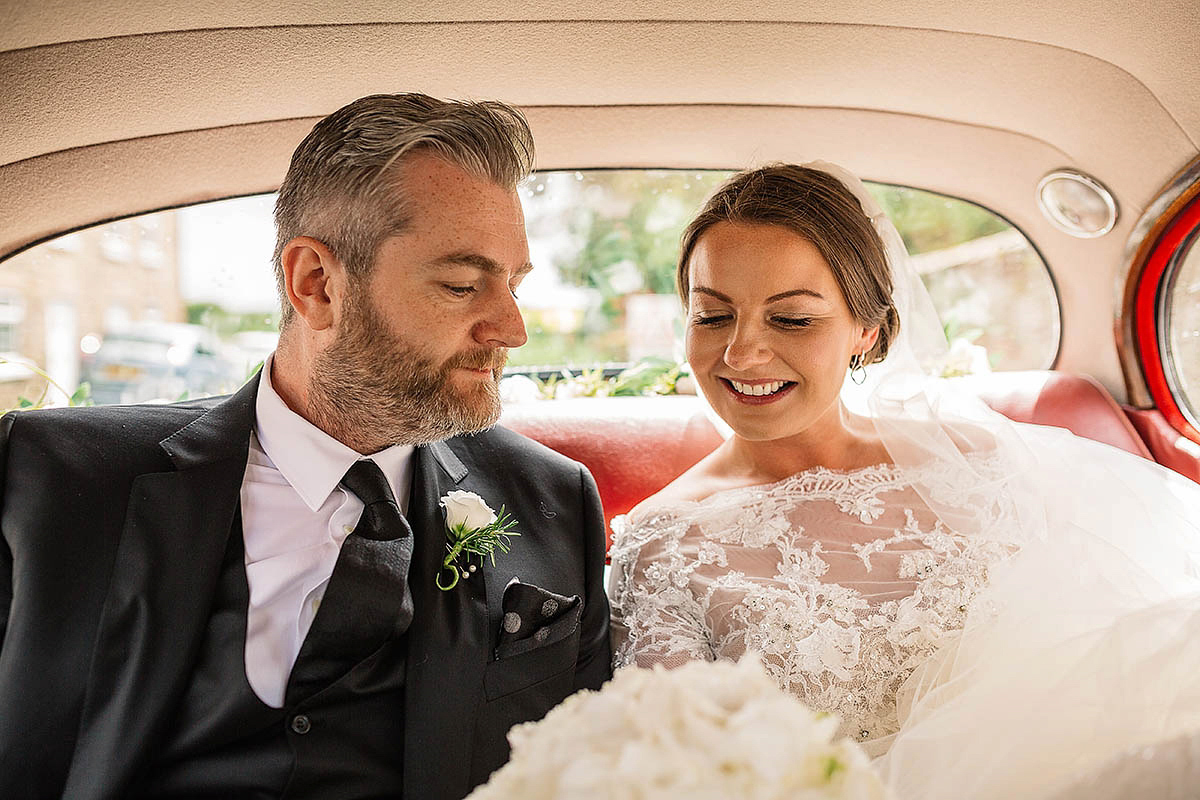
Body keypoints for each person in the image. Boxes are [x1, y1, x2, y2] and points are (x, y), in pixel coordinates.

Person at [0, 93, 611, 800]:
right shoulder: (46, 477)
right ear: (315, 285)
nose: (511, 327)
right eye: (461, 284)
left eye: (513, 285)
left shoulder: (555, 500)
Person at [608, 162, 1200, 799]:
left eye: (792, 320)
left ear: (865, 330)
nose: (742, 353)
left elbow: (1106, 645)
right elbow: (680, 766)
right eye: (712, 317)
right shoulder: (662, 542)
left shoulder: (971, 463)